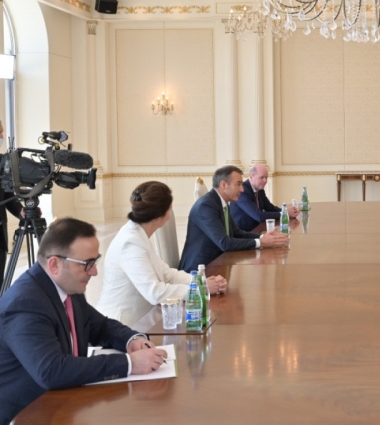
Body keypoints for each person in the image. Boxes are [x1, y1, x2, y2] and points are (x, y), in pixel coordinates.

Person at [0, 218, 167, 424]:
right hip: (27, 415)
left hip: (63, 404)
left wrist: (132, 340)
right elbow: (52, 371)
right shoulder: (24, 304)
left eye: (95, 261)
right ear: (54, 264)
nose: (94, 272)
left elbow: (101, 326)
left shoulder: (68, 287)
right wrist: (130, 363)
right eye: (87, 264)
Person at [97, 181, 228, 326]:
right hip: (122, 325)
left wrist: (201, 281)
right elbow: (155, 293)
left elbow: (167, 274)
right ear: (161, 215)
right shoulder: (131, 243)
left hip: (143, 320)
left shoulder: (138, 234)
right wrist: (200, 290)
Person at [178, 165, 289, 272]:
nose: (242, 189)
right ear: (223, 185)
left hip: (218, 262)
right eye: (238, 184)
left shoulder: (221, 202)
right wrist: (261, 242)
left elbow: (236, 233)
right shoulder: (206, 206)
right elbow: (225, 243)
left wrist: (264, 237)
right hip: (200, 270)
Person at [231, 163, 299, 231]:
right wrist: (285, 214)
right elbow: (259, 216)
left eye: (266, 177)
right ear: (251, 177)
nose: (265, 181)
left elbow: (270, 208)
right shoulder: (243, 192)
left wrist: (285, 211)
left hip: (257, 228)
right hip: (243, 233)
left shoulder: (259, 189)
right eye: (262, 177)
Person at [0, 120, 24, 285]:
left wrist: (21, 211)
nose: (2, 136)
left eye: (2, 132)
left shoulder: (3, 162)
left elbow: (7, 195)